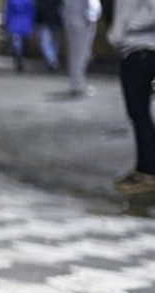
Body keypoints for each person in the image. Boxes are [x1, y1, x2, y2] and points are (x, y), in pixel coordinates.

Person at [108, 1, 155, 198]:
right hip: (138, 49)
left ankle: (148, 171)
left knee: (139, 113)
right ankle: (145, 168)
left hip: (141, 49)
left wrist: (128, 27)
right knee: (139, 114)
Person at [55, 0, 101, 99]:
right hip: (83, 19)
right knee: (81, 53)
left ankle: (77, 83)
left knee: (76, 53)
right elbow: (92, 4)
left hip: (71, 18)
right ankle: (78, 85)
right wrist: (92, 16)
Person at [5, 0, 36, 73]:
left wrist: (6, 23)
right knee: (22, 41)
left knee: (17, 42)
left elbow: (8, 12)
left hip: (15, 22)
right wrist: (32, 22)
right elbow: (32, 12)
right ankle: (20, 56)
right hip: (26, 22)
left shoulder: (12, 1)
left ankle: (18, 57)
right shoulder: (29, 1)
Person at [34, 0, 62, 71]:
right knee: (52, 42)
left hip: (46, 22)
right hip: (53, 22)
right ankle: (52, 60)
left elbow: (39, 10)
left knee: (45, 42)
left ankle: (52, 60)